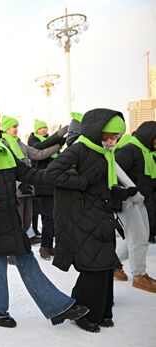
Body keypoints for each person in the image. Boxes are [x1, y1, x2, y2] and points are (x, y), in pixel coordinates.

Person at [0, 107, 89, 330]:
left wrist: (58, 177)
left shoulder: (3, 146)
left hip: (8, 216)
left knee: (23, 258)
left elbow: (26, 172)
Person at [45, 108, 140, 332]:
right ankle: (83, 312)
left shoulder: (104, 153)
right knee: (93, 266)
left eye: (115, 138)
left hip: (100, 214)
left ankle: (103, 311)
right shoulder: (79, 149)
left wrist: (119, 192)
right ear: (95, 131)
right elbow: (52, 174)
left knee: (105, 265)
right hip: (80, 216)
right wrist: (84, 180)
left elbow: (101, 187)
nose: (112, 142)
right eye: (108, 137)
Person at [0, 116, 61, 240]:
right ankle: (15, 252)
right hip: (15, 188)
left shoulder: (20, 144)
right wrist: (18, 183)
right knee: (18, 220)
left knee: (27, 221)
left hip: (27, 187)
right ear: (6, 128)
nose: (16, 129)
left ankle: (22, 244)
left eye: (17, 126)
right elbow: (5, 167)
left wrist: (59, 145)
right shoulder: (3, 144)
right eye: (13, 126)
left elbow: (39, 154)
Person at [114, 120, 156, 292]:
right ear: (149, 135)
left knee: (140, 236)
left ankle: (112, 265)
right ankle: (139, 275)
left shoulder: (148, 152)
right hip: (127, 202)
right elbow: (115, 176)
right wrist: (124, 197)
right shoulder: (129, 150)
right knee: (138, 237)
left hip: (141, 200)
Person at [27, 119, 68, 259]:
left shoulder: (51, 142)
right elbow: (40, 148)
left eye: (45, 128)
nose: (43, 130)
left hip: (53, 184)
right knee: (49, 216)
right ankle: (45, 246)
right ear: (36, 130)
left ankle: (49, 246)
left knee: (52, 217)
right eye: (41, 128)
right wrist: (57, 139)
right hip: (41, 184)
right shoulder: (33, 141)